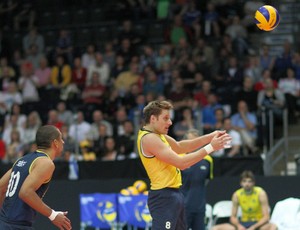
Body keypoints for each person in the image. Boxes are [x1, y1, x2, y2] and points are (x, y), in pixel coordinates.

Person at [137, 100, 231, 230]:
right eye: (165, 118)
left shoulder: (157, 135)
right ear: (153, 118)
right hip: (163, 197)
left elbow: (180, 147)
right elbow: (181, 163)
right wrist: (211, 147)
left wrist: (210, 137)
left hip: (174, 195)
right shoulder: (149, 138)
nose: (170, 122)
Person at [0, 125, 72, 229]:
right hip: (17, 226)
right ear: (55, 143)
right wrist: (53, 215)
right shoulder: (46, 163)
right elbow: (25, 192)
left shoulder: (21, 160)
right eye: (61, 138)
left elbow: (1, 187)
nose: (63, 142)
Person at [212, 170, 277, 230]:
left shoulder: (261, 193)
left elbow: (266, 217)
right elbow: (233, 217)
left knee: (273, 227)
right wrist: (239, 226)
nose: (247, 184)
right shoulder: (237, 194)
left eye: (249, 181)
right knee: (215, 228)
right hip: (243, 223)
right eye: (244, 181)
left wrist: (253, 227)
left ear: (253, 183)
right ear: (241, 183)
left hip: (258, 224)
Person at [180, 129, 213, 230]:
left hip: (200, 207)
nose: (194, 144)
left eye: (196, 141)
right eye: (191, 141)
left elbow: (206, 180)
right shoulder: (178, 158)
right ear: (185, 142)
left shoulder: (208, 160)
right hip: (182, 207)